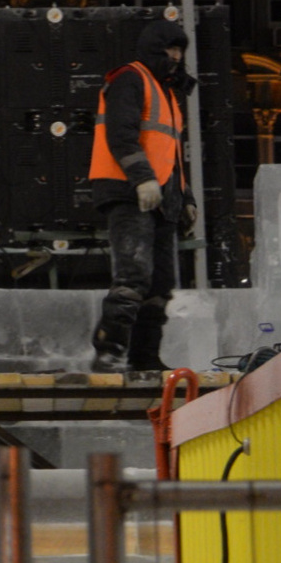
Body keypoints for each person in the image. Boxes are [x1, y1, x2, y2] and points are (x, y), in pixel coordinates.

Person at [87, 19, 191, 371]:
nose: (176, 56)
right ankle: (109, 351)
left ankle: (144, 357)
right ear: (155, 48)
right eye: (171, 49)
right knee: (134, 274)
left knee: (160, 284)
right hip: (129, 191)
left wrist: (184, 198)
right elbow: (121, 134)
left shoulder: (166, 92)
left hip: (159, 195)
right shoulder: (130, 79)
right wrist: (142, 178)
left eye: (180, 50)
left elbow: (170, 153)